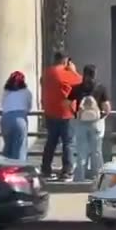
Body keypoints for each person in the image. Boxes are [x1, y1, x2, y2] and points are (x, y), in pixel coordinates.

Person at [40, 52, 82, 180]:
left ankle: (45, 169)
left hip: (50, 112)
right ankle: (66, 172)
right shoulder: (65, 73)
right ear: (65, 60)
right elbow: (81, 82)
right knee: (68, 143)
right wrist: (73, 70)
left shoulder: (47, 72)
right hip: (66, 114)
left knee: (51, 142)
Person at [67, 65, 110, 182]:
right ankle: (98, 177)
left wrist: (75, 114)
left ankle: (80, 177)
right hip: (96, 122)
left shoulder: (76, 88)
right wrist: (102, 117)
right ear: (95, 74)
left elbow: (68, 103)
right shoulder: (101, 88)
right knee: (96, 151)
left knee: (81, 150)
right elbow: (107, 107)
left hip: (81, 122)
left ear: (84, 74)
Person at [0, 72, 33, 162]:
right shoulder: (26, 92)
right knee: (19, 148)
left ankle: (5, 168)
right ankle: (18, 169)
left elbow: (2, 105)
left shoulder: (5, 91)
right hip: (19, 118)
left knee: (8, 146)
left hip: (5, 118)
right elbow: (28, 107)